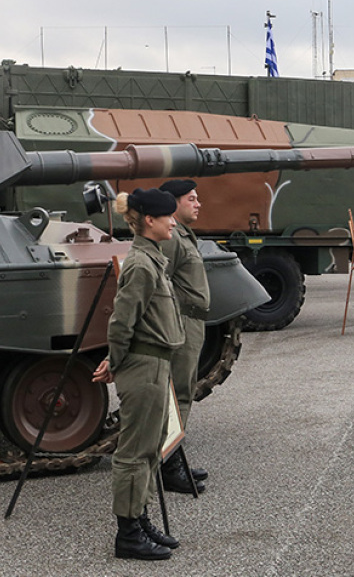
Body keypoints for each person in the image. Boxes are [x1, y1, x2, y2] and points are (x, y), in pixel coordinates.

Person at [92, 188, 185, 561]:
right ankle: (128, 534)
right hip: (144, 366)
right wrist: (114, 362)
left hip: (155, 365)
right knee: (134, 454)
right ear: (149, 220)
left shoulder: (153, 260)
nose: (173, 222)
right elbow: (121, 322)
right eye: (168, 216)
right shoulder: (141, 265)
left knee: (149, 449)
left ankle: (139, 518)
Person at [158, 179, 210, 494]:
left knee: (183, 392)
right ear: (173, 203)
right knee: (177, 395)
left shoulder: (182, 235)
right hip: (181, 322)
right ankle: (169, 466)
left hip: (191, 321)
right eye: (191, 198)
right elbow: (158, 281)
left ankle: (174, 459)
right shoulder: (173, 238)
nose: (198, 203)